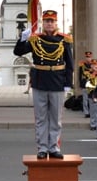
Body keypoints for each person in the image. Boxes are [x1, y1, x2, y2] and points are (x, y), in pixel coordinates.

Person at [14, 9, 75, 159]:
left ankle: (53, 147)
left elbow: (69, 64)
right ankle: (42, 147)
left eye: (52, 21)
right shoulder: (35, 40)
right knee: (41, 118)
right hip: (40, 81)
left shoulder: (64, 40)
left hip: (57, 81)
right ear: (43, 22)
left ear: (56, 23)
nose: (49, 24)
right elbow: (18, 52)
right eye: (47, 21)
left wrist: (68, 83)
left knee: (55, 118)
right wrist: (22, 39)